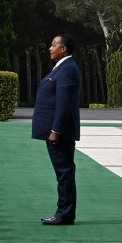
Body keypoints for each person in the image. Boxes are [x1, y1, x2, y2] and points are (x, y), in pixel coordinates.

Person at [32, 35, 81, 225]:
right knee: (63, 172)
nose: (50, 48)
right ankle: (64, 211)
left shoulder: (68, 68)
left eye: (54, 45)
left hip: (60, 132)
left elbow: (64, 103)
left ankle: (65, 213)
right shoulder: (62, 66)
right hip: (56, 130)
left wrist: (56, 130)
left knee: (64, 172)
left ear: (64, 48)